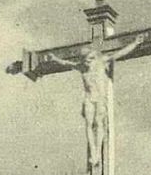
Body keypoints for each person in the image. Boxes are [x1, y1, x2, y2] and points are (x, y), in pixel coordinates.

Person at [47, 35, 144, 166]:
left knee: (99, 123)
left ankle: (97, 152)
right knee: (88, 124)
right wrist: (54, 58)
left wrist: (135, 43)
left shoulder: (102, 62)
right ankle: (93, 151)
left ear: (93, 58)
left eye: (88, 60)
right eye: (84, 61)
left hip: (100, 99)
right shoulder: (81, 67)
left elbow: (119, 54)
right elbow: (66, 63)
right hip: (88, 98)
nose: (86, 63)